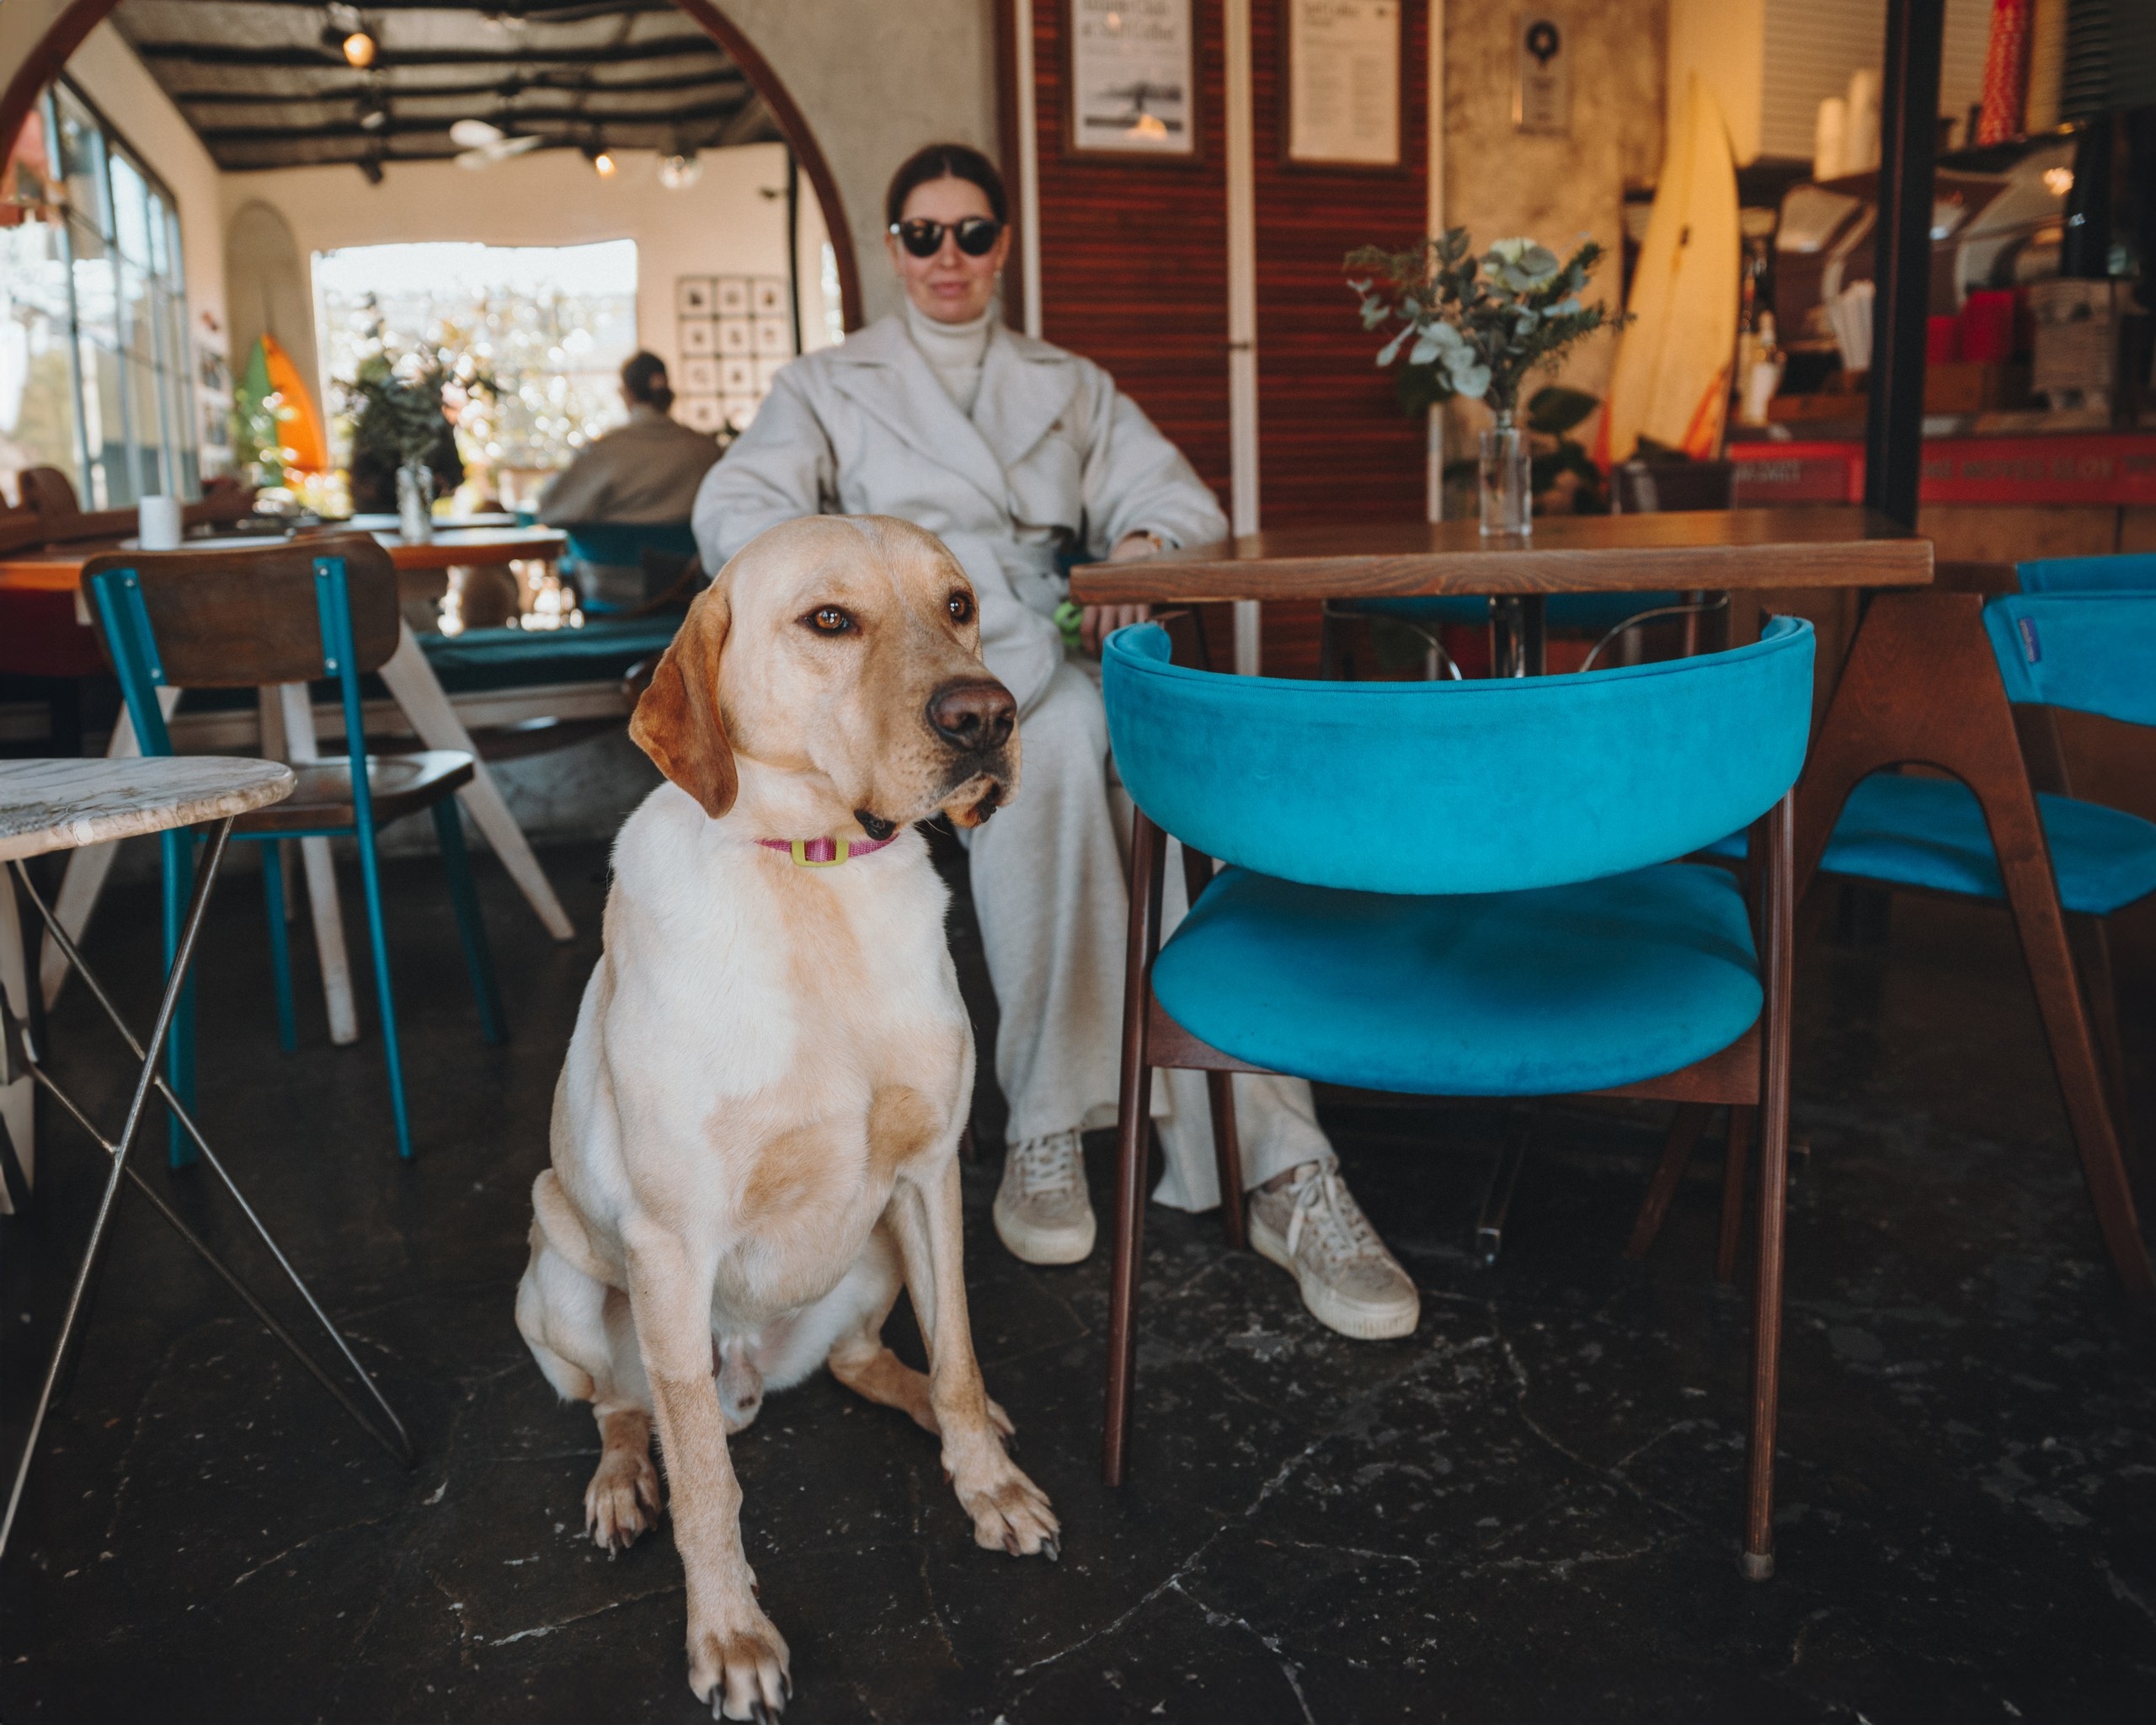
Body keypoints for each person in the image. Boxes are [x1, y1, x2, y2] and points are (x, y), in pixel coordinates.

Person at [690, 143, 1418, 1342]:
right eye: (924, 234)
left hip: (1046, 637)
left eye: (972, 233)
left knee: (1161, 773)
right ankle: (1197, 1146)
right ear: (893, 249)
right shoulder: (823, 384)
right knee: (1072, 741)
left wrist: (1135, 551)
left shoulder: (1070, 383)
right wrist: (854, 587)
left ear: (1004, 245)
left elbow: (1178, 501)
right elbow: (735, 512)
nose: (949, 256)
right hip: (920, 667)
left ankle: (1198, 1146)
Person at [537, 351, 721, 527]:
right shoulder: (708, 449)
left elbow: (551, 510)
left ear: (627, 392)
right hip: (689, 550)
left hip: (611, 550)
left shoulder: (603, 451)